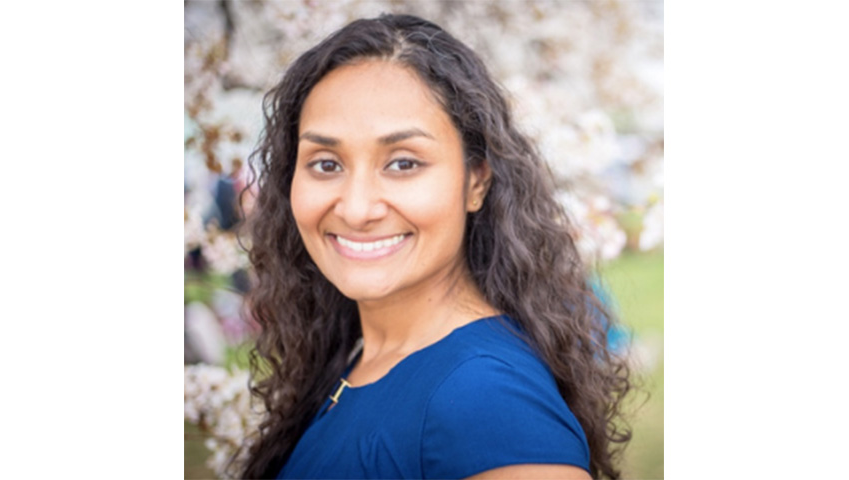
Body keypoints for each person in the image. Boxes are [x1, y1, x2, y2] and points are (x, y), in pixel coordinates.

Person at [240, 13, 631, 480]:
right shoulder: (359, 357)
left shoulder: (485, 396)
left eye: (403, 163)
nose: (357, 208)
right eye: (325, 164)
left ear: (476, 182)